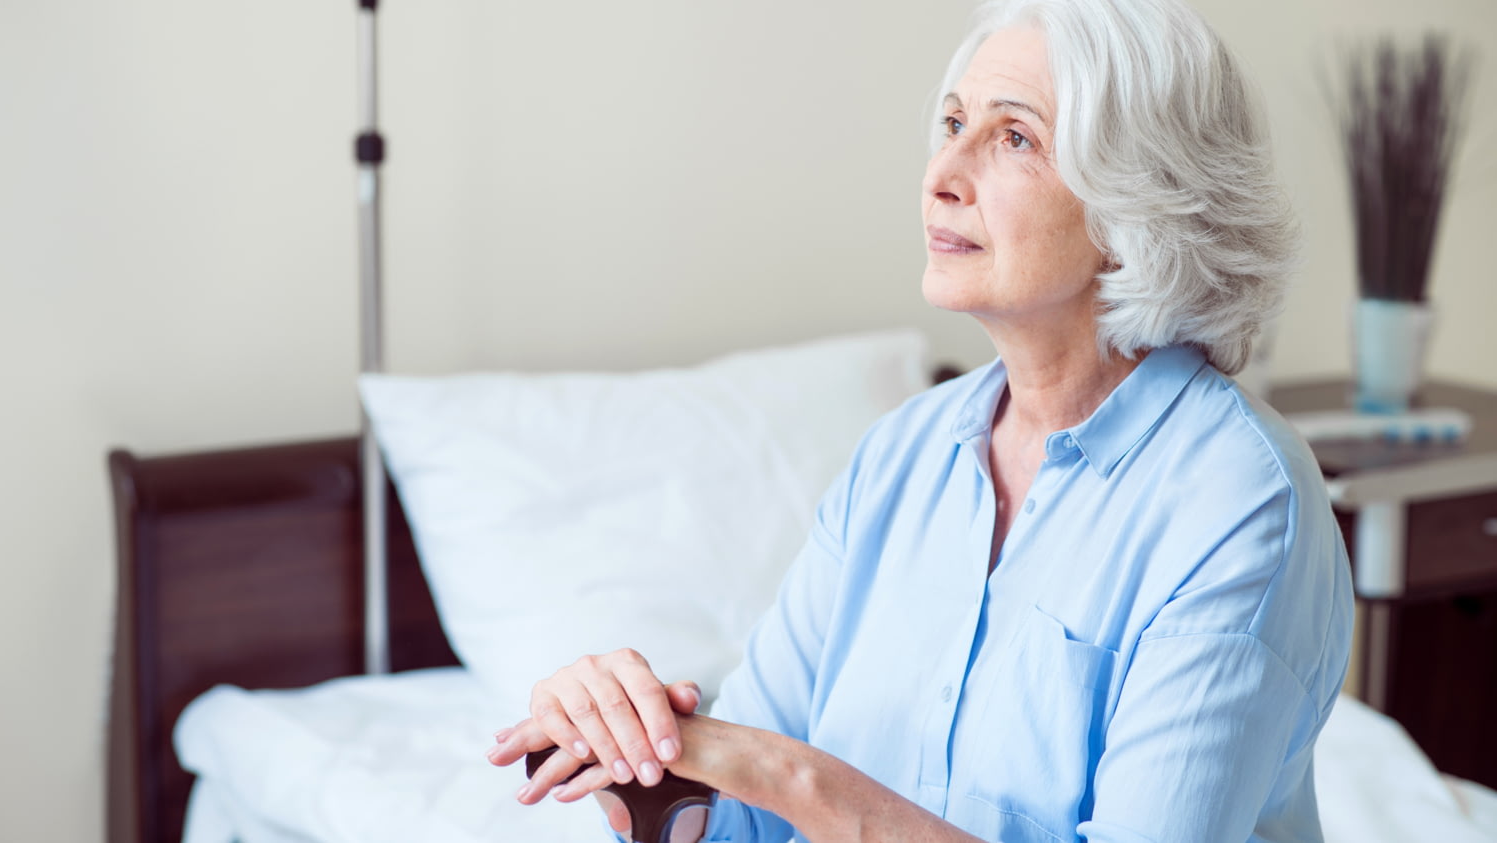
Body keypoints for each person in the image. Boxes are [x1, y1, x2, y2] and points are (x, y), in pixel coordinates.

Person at [488, 0, 1355, 839]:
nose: (943, 177)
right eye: (951, 125)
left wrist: (795, 776)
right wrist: (635, 755)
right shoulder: (900, 455)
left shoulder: (1238, 499)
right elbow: (741, 826)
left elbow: (782, 779)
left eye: (1013, 137)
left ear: (1138, 209)